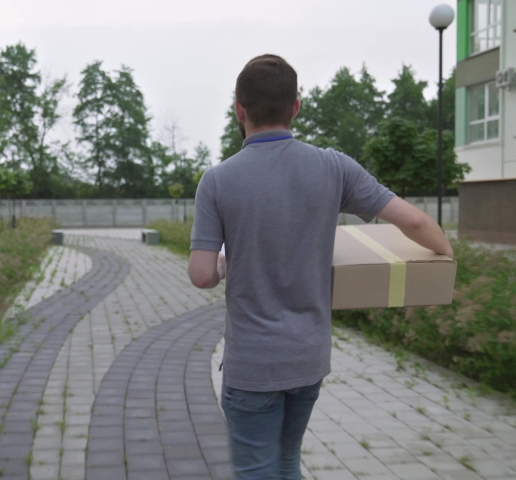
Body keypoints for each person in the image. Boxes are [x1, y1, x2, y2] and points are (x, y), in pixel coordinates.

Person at [187, 54, 453, 480]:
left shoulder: (217, 181)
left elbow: (202, 275)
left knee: (257, 471)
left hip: (253, 366)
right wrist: (448, 256)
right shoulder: (333, 166)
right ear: (295, 106)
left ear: (239, 109)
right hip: (308, 360)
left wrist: (223, 262)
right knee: (288, 463)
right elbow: (416, 221)